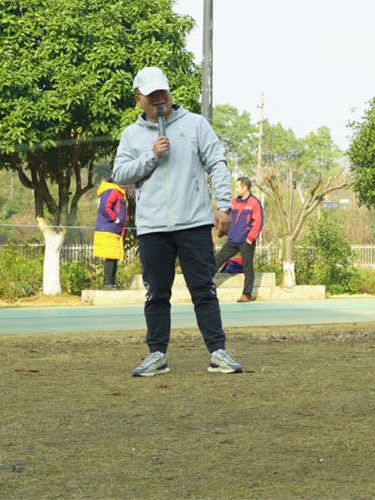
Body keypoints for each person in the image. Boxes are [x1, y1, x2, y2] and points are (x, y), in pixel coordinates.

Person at [112, 66, 243, 377]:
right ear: (138, 100)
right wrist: (151, 155)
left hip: (194, 223)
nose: (159, 99)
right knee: (156, 293)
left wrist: (224, 206)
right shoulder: (131, 135)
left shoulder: (195, 124)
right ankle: (157, 355)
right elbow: (120, 173)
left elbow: (217, 164)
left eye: (163, 92)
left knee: (204, 289)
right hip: (152, 227)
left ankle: (218, 352)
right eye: (152, 95)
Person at [213, 177, 263, 302]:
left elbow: (258, 222)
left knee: (247, 268)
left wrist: (250, 238)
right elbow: (226, 217)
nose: (235, 189)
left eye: (237, 187)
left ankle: (246, 295)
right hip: (233, 240)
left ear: (245, 188)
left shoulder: (254, 203)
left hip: (246, 241)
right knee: (216, 261)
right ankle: (203, 287)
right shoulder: (233, 202)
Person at [93, 175, 128, 291]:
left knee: (113, 256)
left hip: (113, 230)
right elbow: (104, 207)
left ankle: (111, 282)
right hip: (108, 229)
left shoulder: (118, 192)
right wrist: (115, 219)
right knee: (111, 256)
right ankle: (108, 282)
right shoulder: (112, 190)